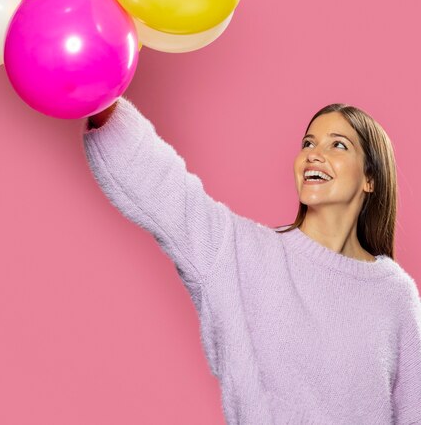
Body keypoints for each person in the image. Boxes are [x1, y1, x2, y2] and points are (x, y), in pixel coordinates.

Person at [82, 97, 421, 424]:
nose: (314, 155)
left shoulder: (394, 294)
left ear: (370, 179)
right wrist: (101, 92)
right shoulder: (239, 252)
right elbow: (163, 186)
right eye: (307, 143)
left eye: (338, 145)